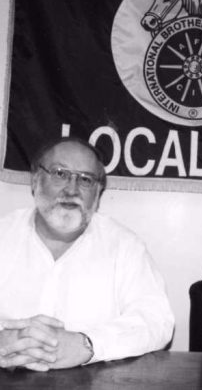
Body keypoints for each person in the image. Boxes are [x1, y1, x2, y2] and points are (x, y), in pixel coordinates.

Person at [0, 137, 174, 371]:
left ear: (98, 192)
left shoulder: (124, 246)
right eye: (60, 173)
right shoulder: (4, 233)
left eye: (85, 179)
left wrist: (87, 344)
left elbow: (157, 321)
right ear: (35, 180)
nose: (72, 189)